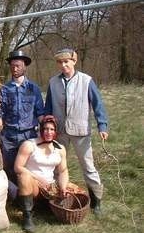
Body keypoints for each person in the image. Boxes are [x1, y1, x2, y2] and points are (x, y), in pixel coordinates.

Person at [45, 48, 108, 215]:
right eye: (60, 62)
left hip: (80, 130)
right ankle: (57, 197)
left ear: (74, 61)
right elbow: (48, 107)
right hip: (60, 132)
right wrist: (47, 126)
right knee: (56, 165)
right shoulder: (53, 82)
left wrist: (102, 125)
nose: (63, 65)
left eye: (66, 61)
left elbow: (98, 104)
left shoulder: (86, 81)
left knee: (88, 166)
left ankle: (96, 201)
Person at [0, 50, 45, 201]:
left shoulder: (33, 89)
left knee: (28, 168)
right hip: (9, 136)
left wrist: (45, 133)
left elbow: (40, 112)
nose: (15, 69)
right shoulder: (4, 89)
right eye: (12, 66)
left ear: (25, 67)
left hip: (28, 136)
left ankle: (31, 198)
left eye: (18, 66)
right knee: (9, 168)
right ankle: (15, 199)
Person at [14, 115, 72, 233]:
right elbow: (18, 167)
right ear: (41, 130)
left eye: (52, 129)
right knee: (24, 176)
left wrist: (63, 187)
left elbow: (63, 171)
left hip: (50, 186)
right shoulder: (29, 145)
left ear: (55, 131)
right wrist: (38, 179)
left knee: (73, 188)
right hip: (33, 185)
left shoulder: (60, 148)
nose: (48, 132)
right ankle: (27, 216)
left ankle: (52, 207)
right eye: (45, 129)